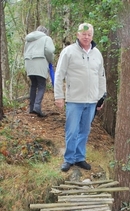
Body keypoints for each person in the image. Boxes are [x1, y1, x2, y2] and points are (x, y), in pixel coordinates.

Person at [54, 23, 107, 172]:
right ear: (78, 35)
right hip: (74, 100)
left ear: (92, 36)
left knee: (85, 130)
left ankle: (79, 157)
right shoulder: (69, 52)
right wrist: (59, 96)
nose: (86, 37)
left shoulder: (97, 53)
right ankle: (69, 158)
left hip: (91, 101)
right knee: (72, 130)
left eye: (89, 34)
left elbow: (101, 76)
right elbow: (59, 74)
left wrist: (101, 97)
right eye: (83, 34)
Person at [24, 25, 55, 117]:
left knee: (33, 85)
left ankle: (31, 107)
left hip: (29, 63)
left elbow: (25, 52)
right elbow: (49, 51)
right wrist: (50, 60)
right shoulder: (46, 38)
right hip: (40, 62)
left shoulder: (28, 39)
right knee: (42, 85)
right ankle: (37, 106)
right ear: (45, 32)